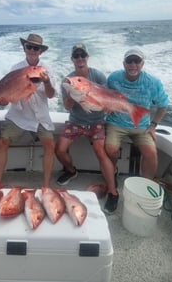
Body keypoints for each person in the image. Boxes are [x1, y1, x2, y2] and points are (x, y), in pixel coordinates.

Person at [55, 43, 119, 214]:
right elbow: (68, 107)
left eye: (82, 55)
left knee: (100, 150)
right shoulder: (68, 80)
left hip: (96, 121)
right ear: (72, 59)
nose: (80, 58)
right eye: (76, 56)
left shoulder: (97, 75)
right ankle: (71, 171)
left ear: (87, 57)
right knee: (59, 149)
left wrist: (108, 105)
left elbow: (106, 96)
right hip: (75, 121)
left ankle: (113, 191)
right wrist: (71, 93)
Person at [0, 34, 56, 188]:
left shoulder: (46, 69)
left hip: (40, 116)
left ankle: (46, 186)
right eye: (29, 46)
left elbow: (51, 94)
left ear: (40, 51)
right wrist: (3, 100)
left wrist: (47, 82)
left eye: (36, 48)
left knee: (50, 145)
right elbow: (9, 92)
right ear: (24, 48)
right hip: (18, 115)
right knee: (2, 142)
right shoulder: (16, 69)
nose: (32, 50)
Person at [105, 48, 168, 181]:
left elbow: (162, 105)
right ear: (124, 64)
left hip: (142, 125)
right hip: (116, 123)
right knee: (110, 148)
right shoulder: (113, 78)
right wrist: (107, 106)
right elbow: (105, 96)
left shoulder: (152, 82)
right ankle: (113, 171)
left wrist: (153, 125)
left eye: (137, 61)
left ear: (142, 64)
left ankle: (146, 183)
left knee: (151, 153)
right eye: (129, 61)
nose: (133, 65)